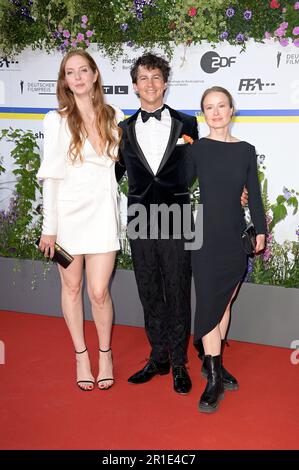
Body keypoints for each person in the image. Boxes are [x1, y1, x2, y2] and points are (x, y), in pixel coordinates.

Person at [37, 50, 124, 391]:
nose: (77, 77)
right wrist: (50, 228)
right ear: (65, 80)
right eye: (70, 72)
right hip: (69, 218)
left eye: (83, 70)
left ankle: (106, 353)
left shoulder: (113, 114)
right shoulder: (55, 119)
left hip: (103, 214)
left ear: (94, 74)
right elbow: (52, 177)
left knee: (98, 291)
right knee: (72, 288)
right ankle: (81, 356)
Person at [115, 53, 199, 394]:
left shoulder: (188, 124)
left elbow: (201, 167)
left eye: (155, 77)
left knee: (178, 288)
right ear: (135, 86)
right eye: (143, 78)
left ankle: (179, 362)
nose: (150, 83)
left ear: (165, 83)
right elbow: (112, 175)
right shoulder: (121, 129)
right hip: (139, 215)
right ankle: (159, 355)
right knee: (148, 287)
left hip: (178, 214)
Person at [186, 86, 266, 412]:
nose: (216, 112)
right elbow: (176, 187)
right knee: (209, 303)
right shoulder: (197, 150)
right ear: (203, 114)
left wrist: (260, 229)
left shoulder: (246, 150)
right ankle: (214, 379)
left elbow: (255, 196)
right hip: (203, 235)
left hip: (235, 236)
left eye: (222, 106)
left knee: (224, 304)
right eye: (209, 107)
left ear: (232, 110)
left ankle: (211, 362)